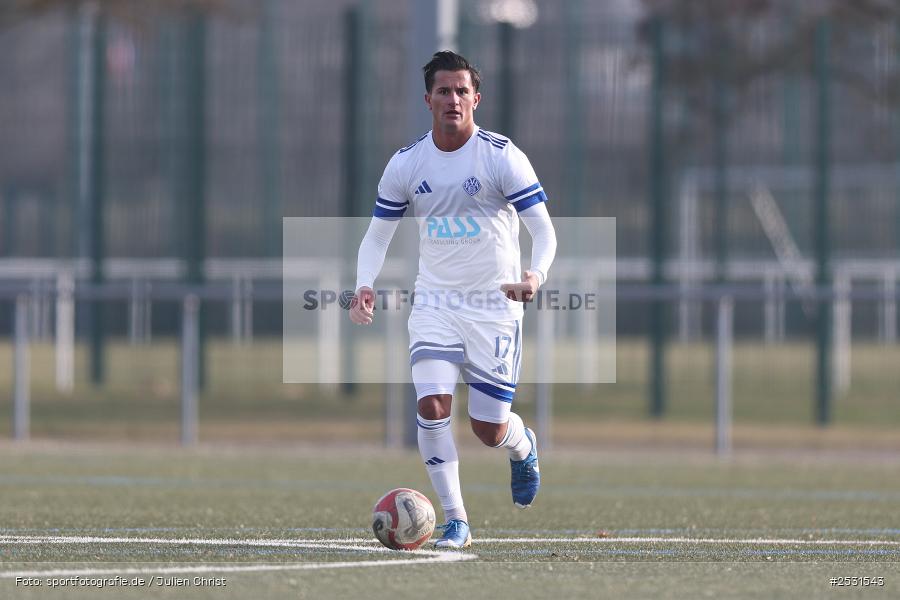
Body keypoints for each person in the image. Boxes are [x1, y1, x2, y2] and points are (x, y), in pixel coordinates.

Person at [349, 51, 557, 549]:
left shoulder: (501, 155)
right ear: (428, 100)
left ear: (476, 99)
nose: (454, 99)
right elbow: (378, 235)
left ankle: (521, 444)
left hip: (494, 309)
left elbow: (543, 230)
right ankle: (456, 519)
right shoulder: (407, 163)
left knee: (488, 428)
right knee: (432, 404)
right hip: (436, 305)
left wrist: (535, 275)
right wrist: (363, 284)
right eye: (444, 91)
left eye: (462, 91)